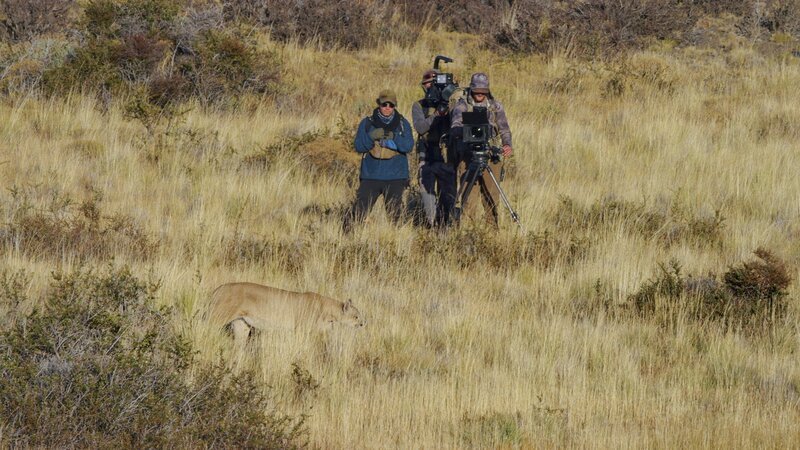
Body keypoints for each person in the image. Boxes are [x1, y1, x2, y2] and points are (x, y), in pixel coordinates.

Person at [344, 89, 414, 232]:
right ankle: (347, 239)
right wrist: (371, 136)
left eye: (391, 105)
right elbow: (359, 146)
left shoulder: (402, 123)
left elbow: (408, 146)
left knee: (395, 216)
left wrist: (394, 137)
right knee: (358, 213)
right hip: (371, 176)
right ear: (379, 104)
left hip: (395, 177)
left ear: (395, 106)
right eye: (384, 104)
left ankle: (397, 244)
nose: (387, 107)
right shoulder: (367, 123)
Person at [450, 72, 513, 227]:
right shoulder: (462, 105)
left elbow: (504, 129)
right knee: (468, 200)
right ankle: (468, 234)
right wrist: (467, 132)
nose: (479, 94)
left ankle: (491, 235)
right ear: (471, 89)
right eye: (476, 91)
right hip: (468, 156)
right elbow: (455, 126)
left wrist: (507, 144)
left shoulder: (495, 106)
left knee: (491, 197)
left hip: (490, 156)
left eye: (483, 91)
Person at [411, 69, 456, 228]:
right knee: (427, 197)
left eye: (433, 84)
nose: (429, 87)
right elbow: (421, 128)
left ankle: (444, 226)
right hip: (427, 156)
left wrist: (448, 106)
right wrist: (437, 113)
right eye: (427, 84)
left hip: (446, 157)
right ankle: (431, 226)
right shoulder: (419, 105)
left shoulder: (452, 105)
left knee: (448, 196)